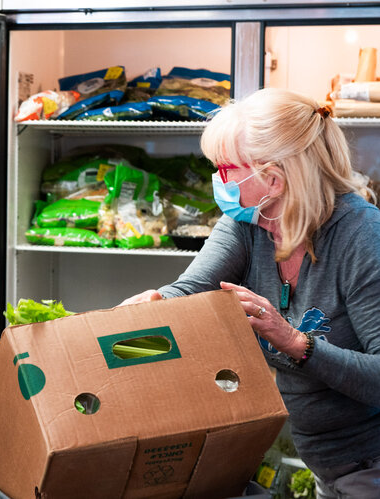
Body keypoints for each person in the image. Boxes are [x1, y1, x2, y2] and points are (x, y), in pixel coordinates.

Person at [121, 88, 380, 498]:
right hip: (322, 459)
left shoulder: (360, 235)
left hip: (371, 462)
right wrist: (152, 307)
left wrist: (295, 341)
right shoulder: (248, 222)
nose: (217, 181)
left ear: (273, 180)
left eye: (224, 169)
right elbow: (189, 291)